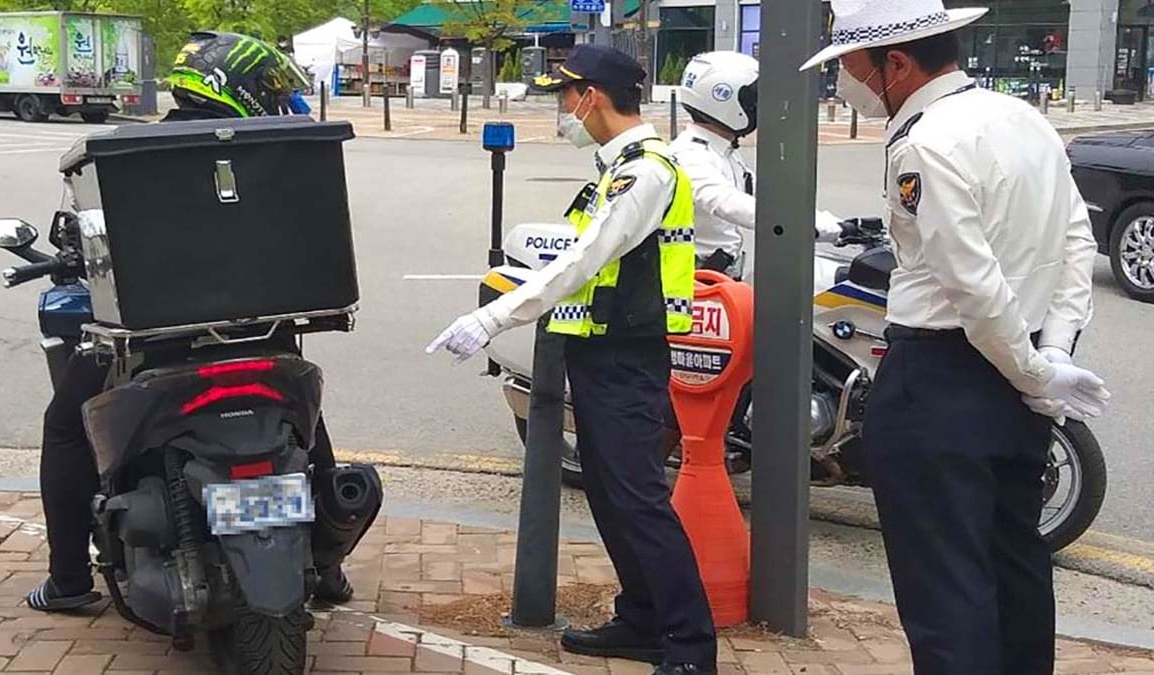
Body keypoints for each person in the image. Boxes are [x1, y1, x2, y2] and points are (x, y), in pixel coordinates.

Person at [799, 2, 1110, 674]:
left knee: (947, 593)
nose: (845, 84)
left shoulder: (926, 144)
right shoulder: (1026, 120)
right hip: (1016, 382)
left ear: (897, 63)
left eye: (850, 68)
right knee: (1017, 568)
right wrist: (1051, 352)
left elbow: (972, 285)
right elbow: (1074, 242)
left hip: (940, 380)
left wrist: (1035, 367)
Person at [27, 31, 355, 613]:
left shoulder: (128, 154)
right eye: (270, 89)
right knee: (306, 420)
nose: (279, 102)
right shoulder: (282, 153)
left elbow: (78, 240)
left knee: (64, 427)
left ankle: (70, 581)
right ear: (238, 89)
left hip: (156, 346)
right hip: (263, 334)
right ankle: (327, 566)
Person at [427, 44, 717, 675]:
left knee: (637, 500)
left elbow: (583, 262)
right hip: (599, 352)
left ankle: (691, 645)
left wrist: (492, 317)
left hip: (627, 358)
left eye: (565, 95)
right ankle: (641, 621)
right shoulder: (617, 167)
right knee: (613, 498)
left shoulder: (647, 172)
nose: (561, 108)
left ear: (591, 96)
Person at [671, 50, 848, 279]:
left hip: (717, 278)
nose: (760, 107)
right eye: (753, 99)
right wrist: (829, 230)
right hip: (696, 284)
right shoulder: (689, 155)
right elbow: (734, 205)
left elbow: (770, 199)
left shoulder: (722, 151)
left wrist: (836, 223)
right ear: (724, 98)